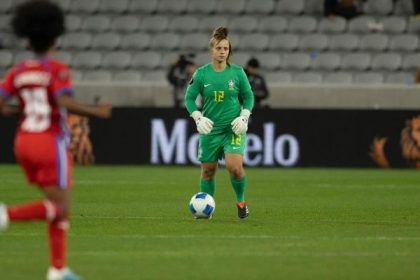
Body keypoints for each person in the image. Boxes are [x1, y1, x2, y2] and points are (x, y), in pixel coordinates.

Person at [0, 1, 112, 279]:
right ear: (55, 37)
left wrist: (22, 110)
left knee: (56, 208)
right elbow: (63, 100)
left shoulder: (18, 71)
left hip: (23, 141)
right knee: (61, 207)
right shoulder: (57, 69)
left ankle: (57, 270)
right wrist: (96, 111)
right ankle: (6, 215)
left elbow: (1, 106)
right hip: (49, 142)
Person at [184, 26, 254, 219]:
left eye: (226, 48)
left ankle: (241, 201)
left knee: (235, 168)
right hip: (210, 130)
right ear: (211, 50)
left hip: (233, 128)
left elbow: (248, 97)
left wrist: (244, 116)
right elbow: (189, 99)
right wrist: (197, 117)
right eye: (219, 48)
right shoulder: (201, 74)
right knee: (207, 171)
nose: (223, 52)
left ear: (229, 50)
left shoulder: (238, 73)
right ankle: (207, 209)